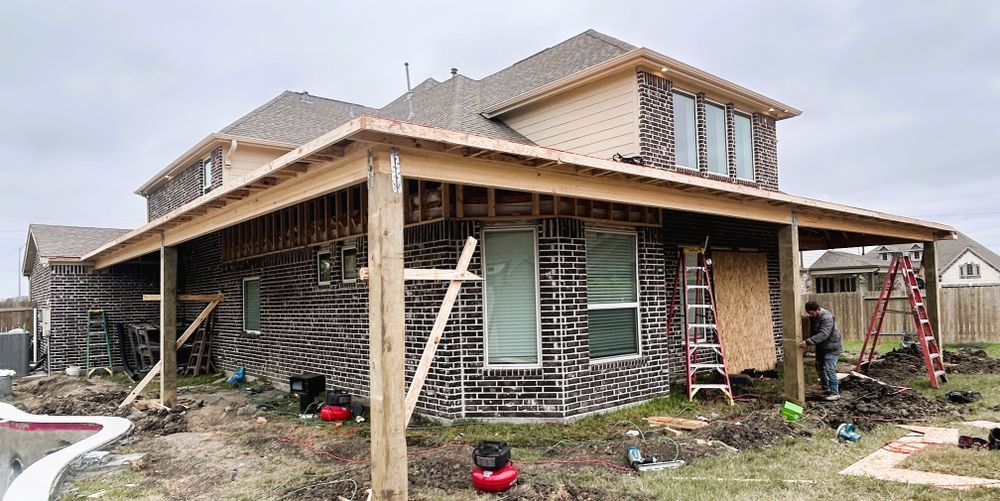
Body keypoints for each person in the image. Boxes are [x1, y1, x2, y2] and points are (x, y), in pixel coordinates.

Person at [799, 300, 843, 401]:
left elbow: (824, 334)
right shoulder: (814, 317)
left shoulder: (826, 317)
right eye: (809, 313)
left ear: (818, 309)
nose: (810, 315)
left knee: (829, 368)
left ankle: (835, 393)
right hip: (822, 346)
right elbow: (814, 331)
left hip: (832, 346)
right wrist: (813, 344)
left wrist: (808, 342)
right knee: (818, 366)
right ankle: (826, 387)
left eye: (812, 313)